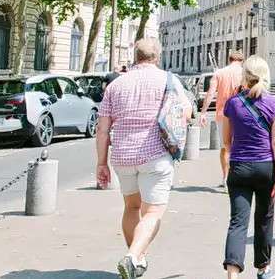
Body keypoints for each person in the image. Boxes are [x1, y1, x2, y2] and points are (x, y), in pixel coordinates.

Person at [96, 37, 191, 279]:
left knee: (131, 207)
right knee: (152, 213)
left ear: (135, 57)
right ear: (157, 57)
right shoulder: (169, 80)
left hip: (122, 155)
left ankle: (136, 261)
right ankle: (133, 256)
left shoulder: (116, 85)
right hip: (155, 154)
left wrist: (101, 162)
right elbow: (186, 112)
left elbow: (103, 129)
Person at [221, 56, 275, 279]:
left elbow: (226, 142)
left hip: (239, 166)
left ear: (245, 76)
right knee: (264, 218)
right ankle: (263, 268)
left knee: (238, 221)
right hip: (266, 167)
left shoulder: (232, 103)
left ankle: (232, 274)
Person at [203, 51, 246, 185]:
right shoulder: (245, 73)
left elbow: (210, 93)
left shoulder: (219, 73)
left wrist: (203, 112)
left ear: (229, 59)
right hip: (242, 114)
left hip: (223, 114)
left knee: (225, 147)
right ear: (241, 61)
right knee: (241, 146)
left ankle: (226, 177)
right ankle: (238, 177)